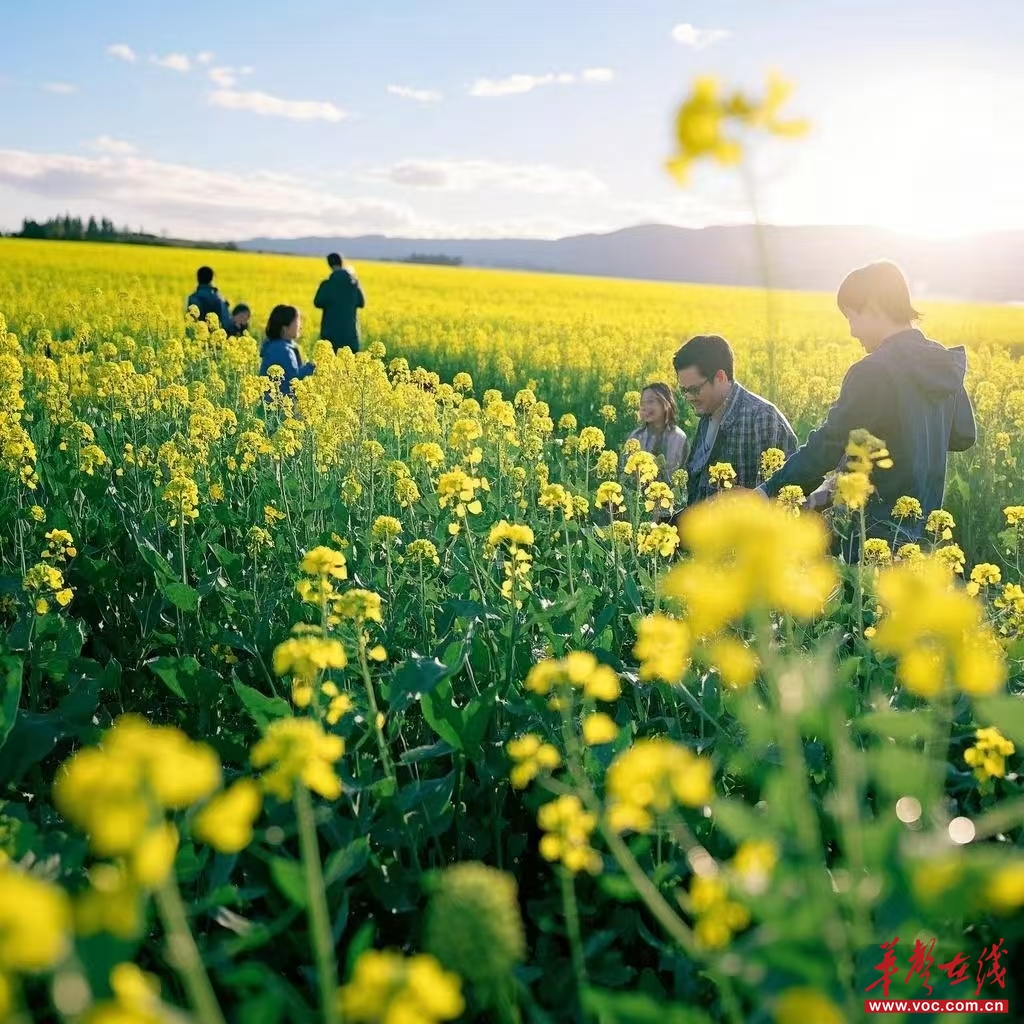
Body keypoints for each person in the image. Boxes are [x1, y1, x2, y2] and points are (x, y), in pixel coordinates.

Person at [759, 260, 977, 550]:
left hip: (873, 533)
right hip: (924, 533)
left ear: (874, 306)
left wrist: (769, 490)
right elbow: (964, 437)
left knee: (861, 595)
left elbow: (829, 443)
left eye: (851, 317)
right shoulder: (942, 362)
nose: (852, 331)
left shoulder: (873, 370)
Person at [674, 334, 797, 505]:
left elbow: (784, 496)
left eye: (694, 390)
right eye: (683, 390)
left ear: (721, 378)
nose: (688, 397)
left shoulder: (763, 418)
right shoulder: (709, 412)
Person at [626, 383, 690, 484]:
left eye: (651, 401)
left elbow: (684, 476)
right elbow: (626, 474)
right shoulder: (636, 436)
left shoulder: (679, 438)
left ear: (665, 403)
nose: (645, 407)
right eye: (642, 403)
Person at [258, 305, 315, 399]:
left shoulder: (277, 345)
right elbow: (293, 379)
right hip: (277, 406)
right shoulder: (281, 349)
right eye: (297, 322)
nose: (300, 326)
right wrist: (312, 368)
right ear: (285, 328)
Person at [313, 253, 365, 353]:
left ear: (329, 264)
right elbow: (361, 302)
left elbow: (317, 302)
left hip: (330, 337)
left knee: (329, 367)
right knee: (349, 367)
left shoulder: (327, 285)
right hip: (351, 337)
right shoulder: (353, 284)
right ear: (342, 262)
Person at [185, 266, 233, 332]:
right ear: (212, 279)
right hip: (218, 339)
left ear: (198, 278)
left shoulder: (193, 298)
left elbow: (190, 325)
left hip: (199, 338)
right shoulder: (220, 299)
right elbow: (226, 324)